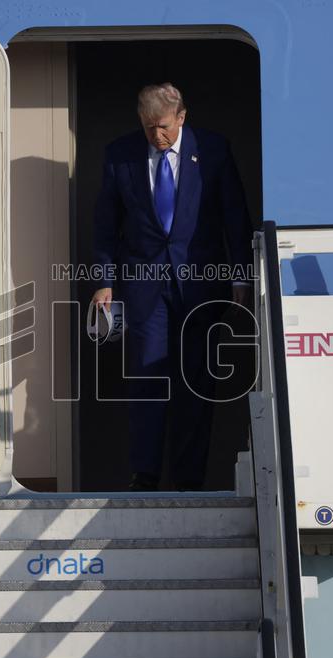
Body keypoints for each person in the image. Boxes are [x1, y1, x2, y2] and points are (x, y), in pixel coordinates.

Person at [91, 82, 256, 491]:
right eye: (148, 127)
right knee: (147, 380)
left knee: (196, 384)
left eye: (163, 126)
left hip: (200, 286)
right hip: (145, 288)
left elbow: (234, 216)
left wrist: (240, 275)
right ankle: (144, 475)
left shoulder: (213, 150)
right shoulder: (120, 154)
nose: (157, 135)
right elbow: (106, 224)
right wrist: (104, 281)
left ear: (181, 117)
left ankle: (188, 480)